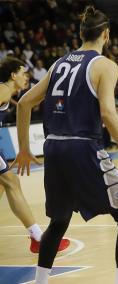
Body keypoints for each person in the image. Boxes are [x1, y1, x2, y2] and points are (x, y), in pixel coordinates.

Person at [13, 6, 118, 284]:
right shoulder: (106, 65)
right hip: (83, 147)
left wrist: (24, 149)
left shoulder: (58, 63)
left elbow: (25, 102)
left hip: (53, 148)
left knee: (60, 220)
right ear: (107, 35)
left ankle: (40, 282)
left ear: (81, 33)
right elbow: (109, 113)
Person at [0, 57, 70, 254]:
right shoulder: (4, 89)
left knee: (5, 185)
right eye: (23, 73)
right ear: (13, 75)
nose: (26, 77)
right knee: (11, 182)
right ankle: (39, 238)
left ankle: (37, 237)